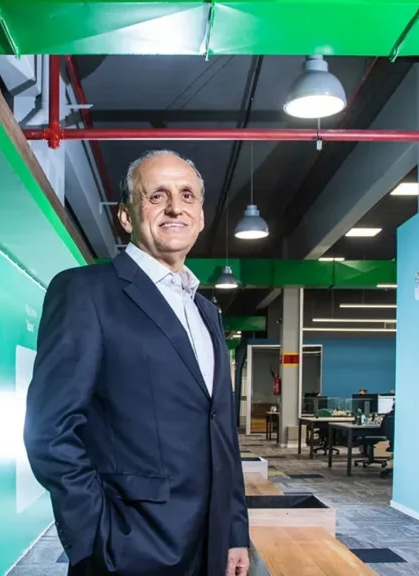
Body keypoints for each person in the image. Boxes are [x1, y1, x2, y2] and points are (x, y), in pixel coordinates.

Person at [24, 150, 250, 576]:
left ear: (201, 216)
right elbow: (48, 430)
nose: (175, 207)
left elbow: (221, 431)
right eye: (157, 196)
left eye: (187, 195)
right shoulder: (85, 292)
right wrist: (97, 538)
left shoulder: (207, 312)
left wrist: (235, 530)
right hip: (128, 549)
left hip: (210, 544)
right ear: (126, 216)